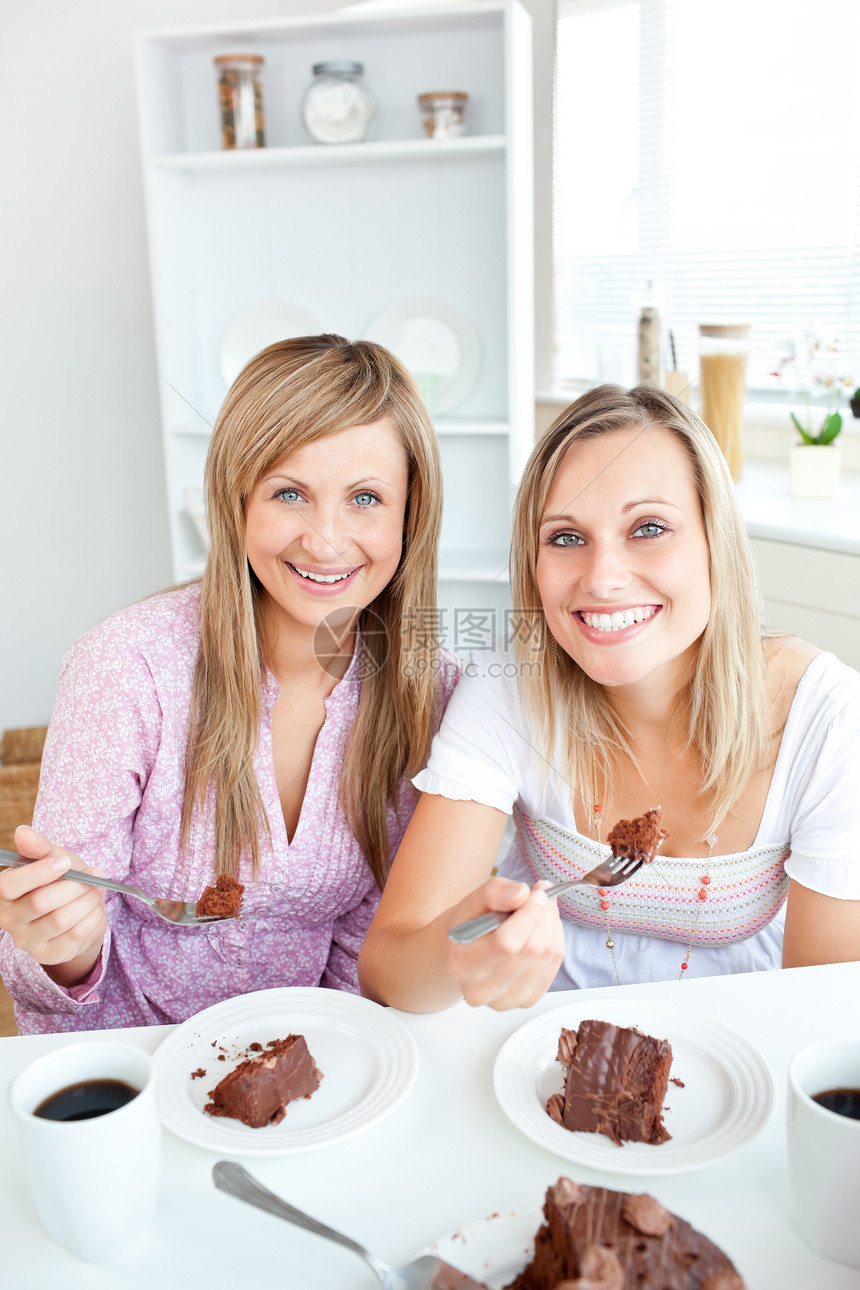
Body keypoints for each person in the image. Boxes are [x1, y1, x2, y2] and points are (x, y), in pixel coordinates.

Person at [0, 334, 460, 1033]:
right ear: (237, 498)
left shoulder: (429, 693)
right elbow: (45, 965)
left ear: (409, 514)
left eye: (366, 497)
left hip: (323, 1061)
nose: (326, 540)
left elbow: (370, 935)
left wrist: (319, 1065)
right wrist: (64, 947)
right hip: (133, 1066)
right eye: (289, 493)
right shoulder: (125, 667)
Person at [358, 383, 860, 1012]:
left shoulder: (829, 719)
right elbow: (386, 969)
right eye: (566, 537)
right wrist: (456, 953)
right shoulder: (506, 689)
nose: (602, 578)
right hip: (534, 1044)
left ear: (715, 543)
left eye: (648, 527)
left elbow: (823, 1015)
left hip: (745, 1040)